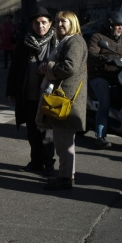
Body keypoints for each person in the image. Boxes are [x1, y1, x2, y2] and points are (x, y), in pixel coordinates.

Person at [37, 11, 87, 191]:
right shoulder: (70, 41)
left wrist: (49, 67)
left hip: (67, 99)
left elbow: (69, 67)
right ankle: (67, 175)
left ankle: (65, 178)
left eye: (63, 21)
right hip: (67, 98)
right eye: (57, 22)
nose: (59, 25)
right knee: (65, 141)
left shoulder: (75, 41)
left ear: (72, 22)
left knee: (62, 141)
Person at [6, 7, 57, 175]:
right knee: (32, 131)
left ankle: (49, 164)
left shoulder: (56, 42)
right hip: (27, 95)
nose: (40, 25)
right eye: (36, 23)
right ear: (32, 25)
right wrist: (11, 90)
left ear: (50, 23)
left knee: (47, 132)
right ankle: (36, 161)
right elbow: (15, 68)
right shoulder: (23, 42)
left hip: (48, 95)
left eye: (44, 22)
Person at [87, 11, 122, 149]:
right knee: (105, 101)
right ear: (110, 26)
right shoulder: (98, 37)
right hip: (99, 76)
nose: (120, 28)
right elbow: (91, 53)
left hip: (117, 76)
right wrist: (103, 58)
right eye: (117, 25)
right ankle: (100, 136)